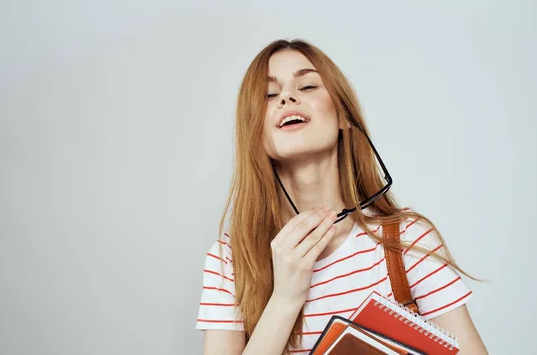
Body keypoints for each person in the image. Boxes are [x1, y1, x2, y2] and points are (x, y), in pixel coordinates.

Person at [195, 39, 488, 354]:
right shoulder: (231, 260)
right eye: (269, 94)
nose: (287, 97)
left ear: (343, 116)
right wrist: (285, 299)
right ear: (254, 132)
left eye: (307, 86)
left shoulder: (406, 240)